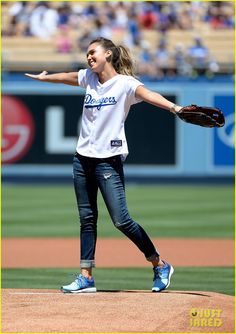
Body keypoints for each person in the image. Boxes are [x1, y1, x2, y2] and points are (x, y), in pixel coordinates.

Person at [25, 37, 182, 293]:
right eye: (87, 53)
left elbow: (150, 95)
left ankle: (159, 264)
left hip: (108, 161)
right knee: (87, 219)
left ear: (108, 54)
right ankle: (86, 276)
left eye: (92, 52)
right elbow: (67, 76)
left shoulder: (125, 84)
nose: (88, 57)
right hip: (81, 159)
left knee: (121, 220)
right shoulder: (88, 78)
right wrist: (46, 78)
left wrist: (175, 107)